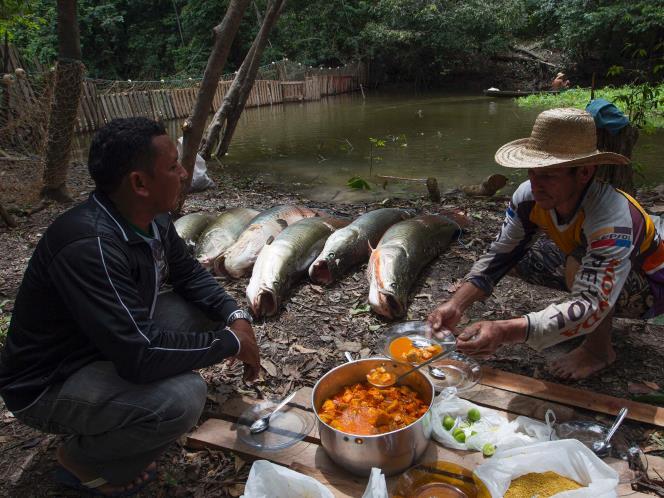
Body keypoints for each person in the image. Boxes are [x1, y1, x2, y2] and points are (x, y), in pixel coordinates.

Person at [0, 118, 260, 496]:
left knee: (205, 310)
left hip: (102, 344)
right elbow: (139, 355)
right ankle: (83, 459)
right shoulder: (91, 246)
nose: (185, 172)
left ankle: (116, 418)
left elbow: (189, 275)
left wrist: (236, 318)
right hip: (49, 383)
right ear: (139, 183)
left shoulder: (151, 218)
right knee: (182, 399)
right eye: (173, 166)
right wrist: (233, 344)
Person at [428, 107, 664, 381]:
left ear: (585, 172)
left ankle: (599, 350)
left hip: (650, 286)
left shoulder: (612, 217)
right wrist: (457, 304)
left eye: (550, 176)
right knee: (520, 258)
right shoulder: (528, 197)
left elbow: (592, 301)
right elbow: (501, 253)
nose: (537, 185)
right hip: (590, 261)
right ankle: (573, 319)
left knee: (579, 263)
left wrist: (505, 330)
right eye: (533, 173)